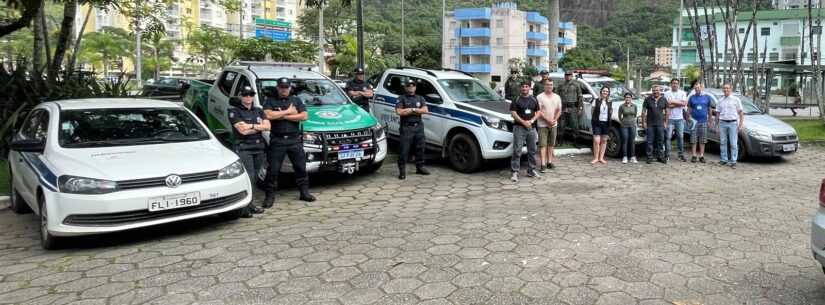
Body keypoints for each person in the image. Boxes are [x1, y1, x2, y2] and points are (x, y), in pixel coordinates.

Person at [262, 77, 316, 207]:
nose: (284, 89)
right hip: (277, 140)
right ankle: (269, 197)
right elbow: (268, 115)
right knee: (273, 170)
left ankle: (304, 193)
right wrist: (289, 112)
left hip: (294, 140)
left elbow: (304, 116)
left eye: (286, 87)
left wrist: (281, 115)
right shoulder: (270, 101)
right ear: (277, 88)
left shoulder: (296, 100)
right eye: (281, 87)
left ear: (290, 88)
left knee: (300, 168)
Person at [228, 86, 269, 217]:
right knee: (248, 177)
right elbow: (242, 131)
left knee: (256, 178)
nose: (248, 97)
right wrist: (259, 127)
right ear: (241, 96)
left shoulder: (258, 110)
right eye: (245, 95)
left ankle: (250, 204)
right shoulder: (234, 111)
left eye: (250, 94)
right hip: (244, 148)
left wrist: (250, 126)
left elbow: (268, 126)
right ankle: (244, 208)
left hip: (258, 147)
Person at [396, 79, 431, 180]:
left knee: (420, 148)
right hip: (406, 127)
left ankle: (420, 167)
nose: (411, 87)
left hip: (419, 127)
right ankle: (402, 170)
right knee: (404, 150)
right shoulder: (401, 98)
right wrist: (417, 111)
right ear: (405, 87)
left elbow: (425, 110)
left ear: (415, 87)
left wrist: (411, 109)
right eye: (409, 85)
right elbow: (399, 112)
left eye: (413, 85)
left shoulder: (420, 98)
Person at [510, 81, 541, 182]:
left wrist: (531, 121)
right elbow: (513, 113)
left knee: (532, 150)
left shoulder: (533, 99)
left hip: (531, 128)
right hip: (519, 127)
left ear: (529, 88)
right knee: (517, 150)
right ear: (520, 88)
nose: (524, 88)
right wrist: (524, 122)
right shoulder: (516, 99)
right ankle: (515, 172)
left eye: (526, 87)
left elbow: (539, 112)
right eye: (523, 87)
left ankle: (531, 170)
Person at [715, 83, 744, 168]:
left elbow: (741, 113)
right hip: (722, 123)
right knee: (723, 142)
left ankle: (733, 161)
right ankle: (724, 159)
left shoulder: (736, 100)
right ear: (722, 90)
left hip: (733, 124)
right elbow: (717, 114)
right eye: (724, 88)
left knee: (733, 143)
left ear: (731, 89)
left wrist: (741, 124)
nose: (726, 90)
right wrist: (716, 125)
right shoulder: (720, 100)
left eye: (727, 88)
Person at [536, 78, 562, 172]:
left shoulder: (557, 97)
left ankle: (549, 162)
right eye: (547, 84)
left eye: (551, 85)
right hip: (542, 125)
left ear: (553, 86)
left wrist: (554, 120)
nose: (549, 86)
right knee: (543, 145)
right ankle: (543, 164)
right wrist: (547, 120)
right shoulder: (539, 97)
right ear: (544, 86)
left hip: (553, 124)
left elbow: (559, 110)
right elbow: (538, 111)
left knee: (551, 144)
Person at [687, 81, 713, 163]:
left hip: (704, 121)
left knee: (703, 139)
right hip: (694, 121)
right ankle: (694, 155)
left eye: (698, 87)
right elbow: (689, 109)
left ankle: (701, 156)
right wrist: (688, 119)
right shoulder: (691, 97)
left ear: (701, 88)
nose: (697, 89)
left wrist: (710, 121)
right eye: (695, 88)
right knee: (693, 139)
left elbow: (709, 110)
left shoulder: (707, 97)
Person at [641, 85, 668, 164]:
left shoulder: (664, 99)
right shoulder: (647, 99)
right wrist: (644, 122)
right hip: (650, 124)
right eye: (654, 90)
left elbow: (667, 112)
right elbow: (643, 112)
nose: (655, 92)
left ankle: (660, 157)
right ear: (652, 91)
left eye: (657, 90)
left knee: (660, 141)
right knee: (649, 141)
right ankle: (649, 157)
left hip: (660, 124)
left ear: (660, 91)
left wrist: (666, 122)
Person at [664, 78, 688, 162]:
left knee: (680, 137)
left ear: (679, 84)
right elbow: (666, 105)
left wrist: (673, 102)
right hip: (669, 118)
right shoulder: (667, 93)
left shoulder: (682, 93)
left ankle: (680, 155)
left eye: (676, 83)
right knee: (668, 137)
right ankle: (667, 155)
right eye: (673, 83)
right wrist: (679, 103)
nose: (675, 85)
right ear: (671, 84)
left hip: (679, 119)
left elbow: (684, 103)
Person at [557, 71, 583, 148]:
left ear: (572, 76)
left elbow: (580, 97)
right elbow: (557, 96)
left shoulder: (576, 85)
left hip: (573, 108)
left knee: (575, 125)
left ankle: (576, 142)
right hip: (563, 107)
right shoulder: (561, 85)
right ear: (564, 76)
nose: (568, 76)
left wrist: (580, 108)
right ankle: (560, 141)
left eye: (569, 75)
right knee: (561, 125)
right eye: (566, 75)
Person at [590, 87, 612, 164]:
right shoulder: (596, 100)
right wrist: (594, 120)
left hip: (606, 123)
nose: (605, 92)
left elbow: (610, 112)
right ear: (601, 92)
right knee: (596, 140)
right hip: (597, 123)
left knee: (604, 140)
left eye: (607, 91)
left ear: (608, 93)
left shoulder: (609, 101)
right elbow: (592, 111)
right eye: (604, 91)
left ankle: (601, 158)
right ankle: (596, 158)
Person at [618, 92, 638, 164]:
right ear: (624, 98)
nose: (628, 98)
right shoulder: (621, 106)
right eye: (626, 97)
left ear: (631, 98)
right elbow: (619, 116)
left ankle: (632, 157)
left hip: (632, 125)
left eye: (629, 97)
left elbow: (635, 114)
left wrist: (632, 121)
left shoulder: (634, 106)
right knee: (625, 141)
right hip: (624, 126)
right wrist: (623, 122)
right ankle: (625, 157)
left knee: (632, 141)